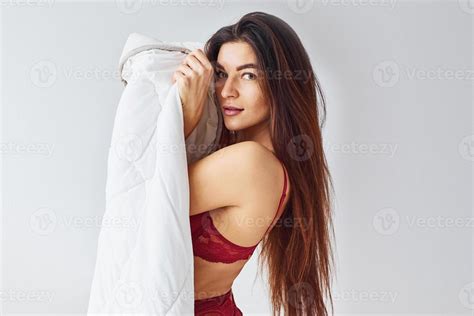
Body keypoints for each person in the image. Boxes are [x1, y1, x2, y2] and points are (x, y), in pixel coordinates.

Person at [172, 11, 336, 316]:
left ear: (280, 85)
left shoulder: (252, 163)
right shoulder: (254, 160)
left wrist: (185, 120)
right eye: (220, 73)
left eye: (249, 75)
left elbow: (147, 199)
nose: (226, 90)